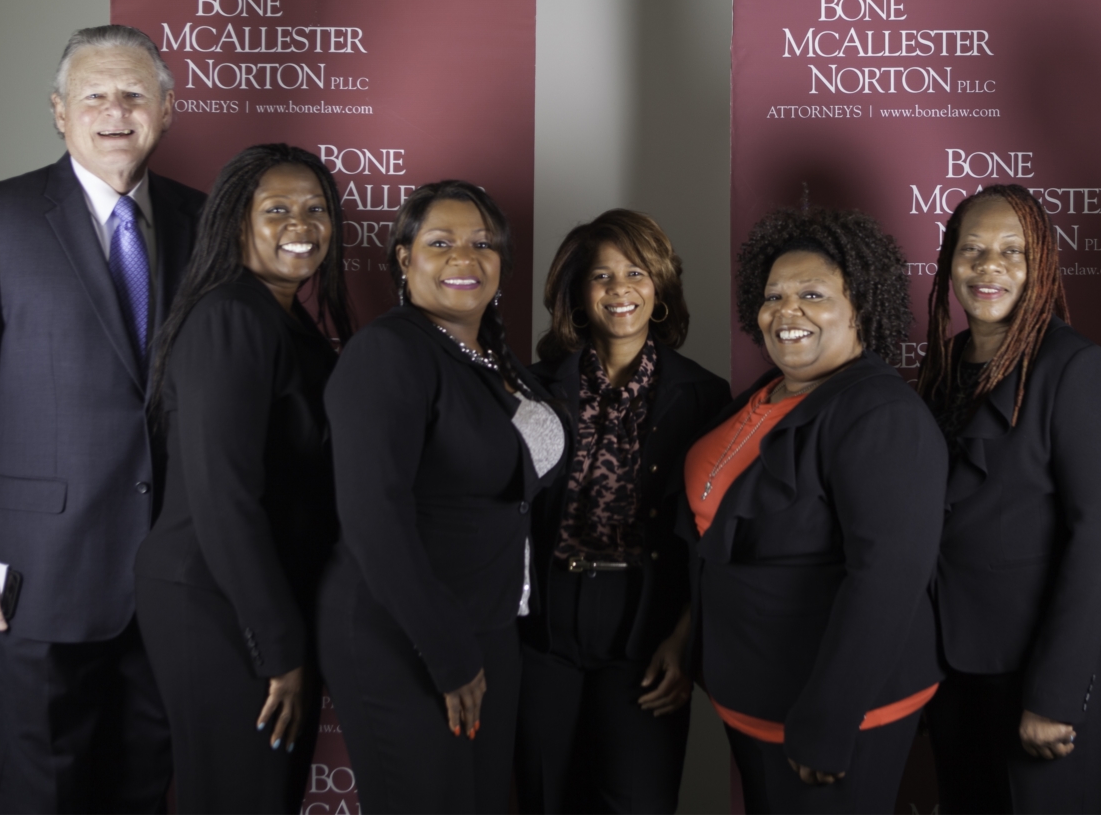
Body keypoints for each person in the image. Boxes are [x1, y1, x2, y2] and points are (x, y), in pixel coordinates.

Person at [0, 25, 203, 813]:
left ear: (167, 111)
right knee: (38, 789)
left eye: (135, 94)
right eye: (94, 95)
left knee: (145, 781)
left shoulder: (204, 223)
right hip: (35, 572)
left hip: (171, 572)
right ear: (58, 112)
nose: (116, 110)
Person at [680, 207, 947, 814]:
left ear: (860, 308)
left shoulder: (880, 415)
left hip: (831, 712)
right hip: (753, 695)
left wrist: (830, 720)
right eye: (773, 295)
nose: (786, 310)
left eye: (812, 294)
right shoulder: (767, 394)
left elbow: (887, 581)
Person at [318, 180, 569, 813]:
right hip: (405, 633)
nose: (465, 257)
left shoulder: (497, 360)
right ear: (405, 259)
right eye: (441, 242)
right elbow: (374, 517)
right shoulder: (389, 352)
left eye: (482, 243)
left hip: (489, 627)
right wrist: (448, 651)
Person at [133, 144, 352, 813]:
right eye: (277, 209)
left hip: (260, 600)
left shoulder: (287, 321)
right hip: (218, 606)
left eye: (316, 209)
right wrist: (279, 646)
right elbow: (224, 499)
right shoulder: (231, 316)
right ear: (235, 223)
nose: (302, 225)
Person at [914, 184, 1101, 813]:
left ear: (1042, 265)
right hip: (951, 668)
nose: (989, 267)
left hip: (1035, 674)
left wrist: (1056, 693)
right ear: (949, 261)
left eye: (1013, 251)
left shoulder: (1074, 368)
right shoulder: (947, 364)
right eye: (972, 249)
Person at [516, 210, 731, 813]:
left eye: (635, 272)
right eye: (601, 276)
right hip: (546, 624)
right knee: (543, 795)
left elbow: (711, 538)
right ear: (578, 293)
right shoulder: (533, 388)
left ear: (658, 285)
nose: (619, 290)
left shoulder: (705, 397)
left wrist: (686, 640)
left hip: (647, 625)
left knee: (637, 799)